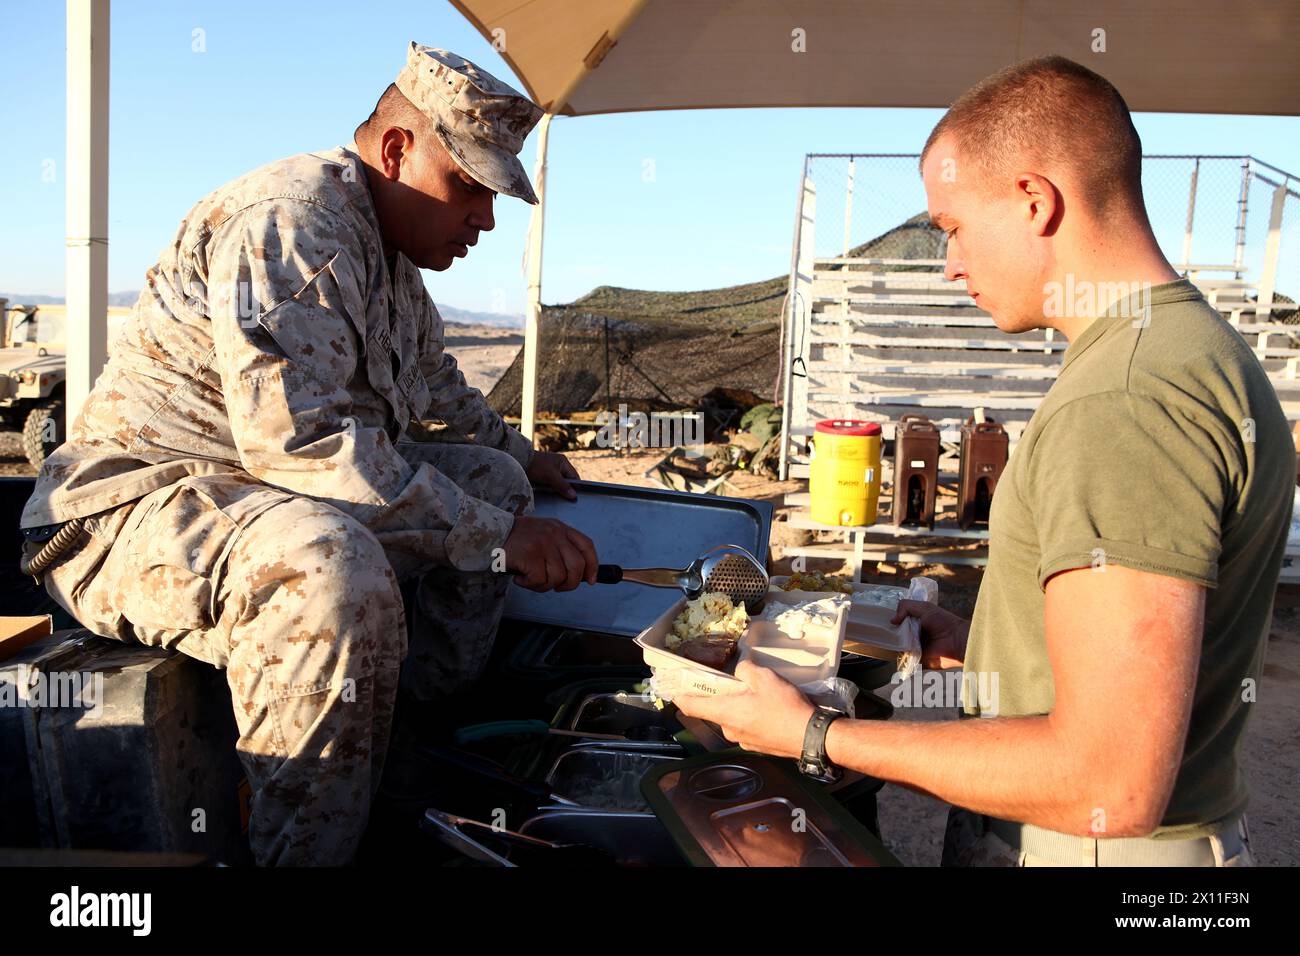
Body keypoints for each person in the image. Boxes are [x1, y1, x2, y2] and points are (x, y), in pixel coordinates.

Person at [675, 55, 1292, 867]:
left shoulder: (1125, 399)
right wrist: (991, 645)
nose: (950, 264)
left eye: (953, 228)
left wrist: (815, 733)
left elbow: (1112, 776)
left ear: (1035, 201)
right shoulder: (1188, 351)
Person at [19, 43, 599, 866]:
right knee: (327, 565)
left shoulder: (394, 263)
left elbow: (438, 390)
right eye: (469, 187)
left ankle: (396, 752)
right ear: (397, 150)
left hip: (252, 505)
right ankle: (305, 854)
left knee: (493, 484)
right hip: (126, 516)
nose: (485, 220)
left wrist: (519, 456)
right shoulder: (290, 221)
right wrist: (497, 538)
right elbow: (305, 448)